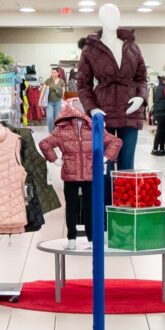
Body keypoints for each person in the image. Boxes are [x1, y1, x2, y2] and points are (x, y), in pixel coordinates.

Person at [40, 91, 121, 240]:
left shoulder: (93, 129)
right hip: (73, 175)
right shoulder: (64, 130)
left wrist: (104, 158)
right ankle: (74, 237)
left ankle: (88, 237)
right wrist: (55, 160)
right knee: (75, 207)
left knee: (85, 207)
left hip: (88, 174)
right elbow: (44, 144)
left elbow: (115, 141)